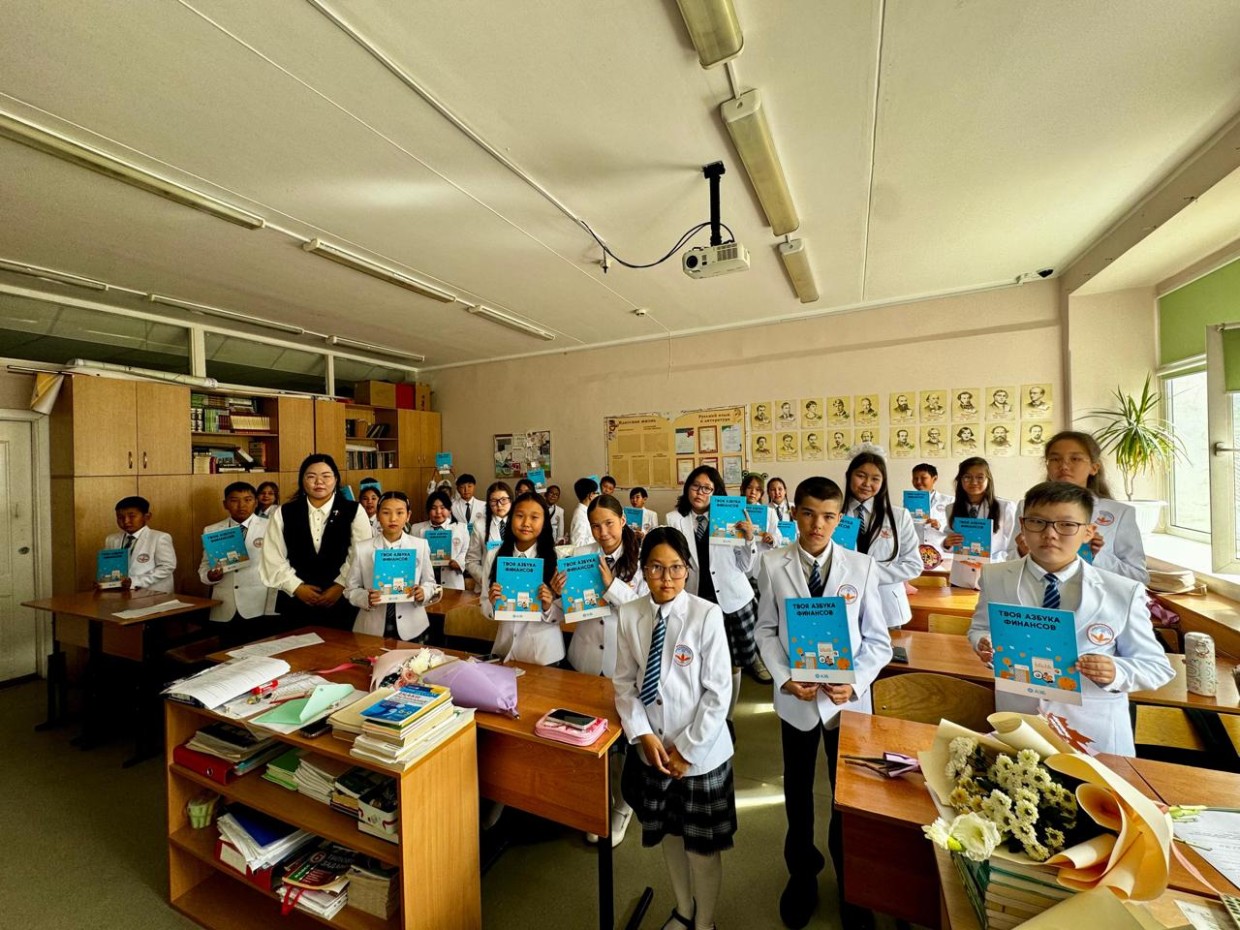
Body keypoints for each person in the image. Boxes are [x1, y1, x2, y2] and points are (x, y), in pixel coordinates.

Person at [755, 476, 892, 930]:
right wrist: (784, 676)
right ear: (795, 513)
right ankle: (802, 875)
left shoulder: (862, 566)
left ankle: (852, 884)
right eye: (809, 514)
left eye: (828, 516)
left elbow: (878, 640)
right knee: (797, 793)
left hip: (845, 703)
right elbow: (765, 630)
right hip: (797, 700)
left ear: (839, 519)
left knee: (847, 797)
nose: (818, 525)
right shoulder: (772, 563)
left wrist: (856, 682)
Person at [968, 482, 1173, 755]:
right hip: (1020, 724)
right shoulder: (995, 576)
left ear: (1088, 532)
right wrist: (984, 641)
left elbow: (1156, 667)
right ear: (1023, 526)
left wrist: (1116, 671)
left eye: (1066, 525)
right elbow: (980, 627)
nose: (1050, 534)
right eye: (1038, 522)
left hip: (1094, 732)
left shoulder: (1122, 591)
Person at [615, 527, 736, 930]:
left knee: (701, 849)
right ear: (643, 570)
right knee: (670, 836)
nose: (666, 579)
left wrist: (687, 750)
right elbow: (624, 684)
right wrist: (642, 734)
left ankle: (705, 923)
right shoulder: (630, 614)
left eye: (676, 568)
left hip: (700, 754)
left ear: (687, 569)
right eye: (656, 568)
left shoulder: (706, 615)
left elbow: (718, 693)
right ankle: (683, 911)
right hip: (654, 751)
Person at [569, 495, 649, 848]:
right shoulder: (580, 555)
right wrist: (558, 594)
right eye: (596, 526)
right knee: (588, 738)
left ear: (623, 521)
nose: (603, 533)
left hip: (622, 662)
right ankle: (593, 800)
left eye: (609, 524)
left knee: (623, 743)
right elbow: (570, 609)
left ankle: (622, 806)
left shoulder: (643, 557)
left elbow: (645, 610)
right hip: (586, 657)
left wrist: (611, 586)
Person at [665, 467, 758, 728]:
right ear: (687, 488)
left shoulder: (731, 515)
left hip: (731, 600)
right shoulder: (674, 519)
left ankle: (727, 719)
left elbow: (746, 566)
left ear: (716, 492)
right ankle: (701, 716)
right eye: (695, 486)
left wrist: (749, 538)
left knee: (732, 664)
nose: (700, 492)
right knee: (696, 662)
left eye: (707, 488)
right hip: (695, 599)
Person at [1004, 431, 1148, 584]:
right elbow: (1008, 564)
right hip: (1036, 593)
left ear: (1094, 467)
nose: (1064, 466)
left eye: (1075, 459)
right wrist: (1021, 552)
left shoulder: (1119, 513)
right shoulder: (1027, 506)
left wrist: (1096, 555)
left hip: (1095, 596)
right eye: (1055, 459)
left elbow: (1138, 577)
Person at [260, 454, 371, 630]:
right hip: (295, 601)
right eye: (311, 476)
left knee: (341, 646)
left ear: (336, 479)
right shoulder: (284, 512)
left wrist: (340, 586)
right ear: (302, 480)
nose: (319, 482)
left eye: (326, 476)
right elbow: (272, 556)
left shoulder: (354, 510)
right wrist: (296, 587)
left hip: (342, 600)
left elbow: (361, 554)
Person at [480, 491, 565, 665]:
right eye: (519, 516)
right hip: (505, 650)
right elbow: (484, 604)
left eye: (534, 517)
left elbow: (562, 613)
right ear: (511, 518)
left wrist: (548, 606)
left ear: (544, 522)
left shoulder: (558, 559)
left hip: (543, 654)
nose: (526, 523)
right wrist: (493, 604)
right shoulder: (494, 555)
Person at [346, 491, 440, 643]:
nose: (393, 518)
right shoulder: (362, 548)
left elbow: (430, 583)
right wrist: (366, 598)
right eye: (386, 513)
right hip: (372, 628)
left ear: (408, 516)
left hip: (413, 628)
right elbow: (350, 590)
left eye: (400, 513)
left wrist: (424, 592)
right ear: (377, 515)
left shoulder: (420, 545)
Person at [842, 453, 921, 628]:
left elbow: (913, 565)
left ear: (883, 482)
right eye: (860, 476)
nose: (867, 483)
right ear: (849, 476)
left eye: (875, 479)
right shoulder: (832, 514)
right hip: (844, 605)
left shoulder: (899, 516)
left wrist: (866, 572)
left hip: (887, 610)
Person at [198, 482, 276, 646]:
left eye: (248, 500)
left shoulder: (271, 527)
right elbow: (204, 566)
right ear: (225, 504)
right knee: (225, 653)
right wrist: (210, 576)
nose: (241, 505)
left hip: (258, 604)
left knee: (258, 653)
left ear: (256, 502)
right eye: (234, 500)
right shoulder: (212, 530)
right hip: (224, 605)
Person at [942, 458, 1018, 587]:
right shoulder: (951, 508)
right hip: (961, 580)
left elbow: (1014, 548)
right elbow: (949, 541)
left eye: (980, 477)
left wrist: (990, 561)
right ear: (960, 480)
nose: (974, 482)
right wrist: (947, 543)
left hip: (993, 578)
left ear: (988, 480)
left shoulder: (1005, 508)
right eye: (967, 477)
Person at [740, 473, 779, 684]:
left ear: (762, 493)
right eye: (749, 488)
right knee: (747, 614)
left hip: (761, 568)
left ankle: (764, 655)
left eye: (757, 489)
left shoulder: (769, 513)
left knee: (763, 614)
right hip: (741, 570)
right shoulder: (736, 510)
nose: (753, 492)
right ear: (743, 489)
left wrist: (771, 539)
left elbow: (777, 537)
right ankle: (751, 656)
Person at [105, 496, 177, 593]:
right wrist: (104, 582)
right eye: (120, 517)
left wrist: (135, 582)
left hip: (154, 594)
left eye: (132, 516)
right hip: (121, 594)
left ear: (147, 516)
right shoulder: (111, 540)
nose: (126, 521)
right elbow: (109, 567)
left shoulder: (160, 538)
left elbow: (167, 567)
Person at [409, 489, 470, 590]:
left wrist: (459, 563)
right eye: (434, 508)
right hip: (424, 584)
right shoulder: (416, 529)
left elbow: (467, 551)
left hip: (452, 581)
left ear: (449, 510)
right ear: (428, 510)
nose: (438, 512)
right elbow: (412, 554)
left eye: (442, 508)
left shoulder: (461, 528)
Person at [465, 481, 513, 589]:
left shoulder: (519, 523)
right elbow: (471, 561)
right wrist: (486, 579)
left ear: (511, 500)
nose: (499, 505)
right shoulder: (479, 525)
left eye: (503, 500)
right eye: (494, 501)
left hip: (515, 583)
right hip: (488, 587)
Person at [911, 463, 953, 559]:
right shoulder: (909, 501)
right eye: (915, 478)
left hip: (941, 553)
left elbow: (956, 529)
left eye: (923, 478)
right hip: (917, 554)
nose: (918, 482)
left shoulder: (949, 501)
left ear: (934, 479)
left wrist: (940, 526)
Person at [571, 476, 600, 548]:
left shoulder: (587, 511)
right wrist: (598, 536)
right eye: (597, 493)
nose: (598, 496)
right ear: (591, 495)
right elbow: (578, 544)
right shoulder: (580, 514)